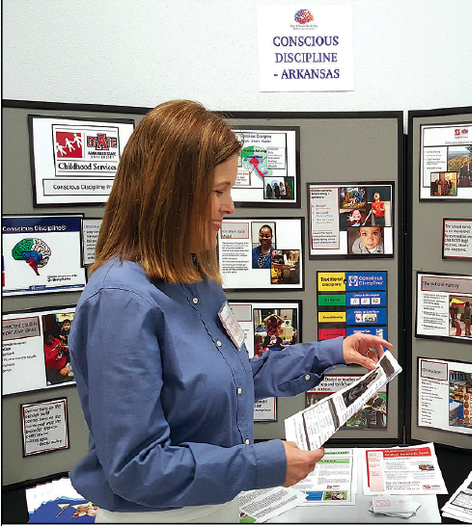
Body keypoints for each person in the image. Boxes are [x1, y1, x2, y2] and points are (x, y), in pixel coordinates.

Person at [68, 100, 393, 522]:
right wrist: (265, 464)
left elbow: (237, 378)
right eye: (219, 190)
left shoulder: (195, 279)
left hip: (215, 506)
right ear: (171, 194)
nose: (230, 206)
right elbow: (138, 468)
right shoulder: (120, 303)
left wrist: (332, 352)